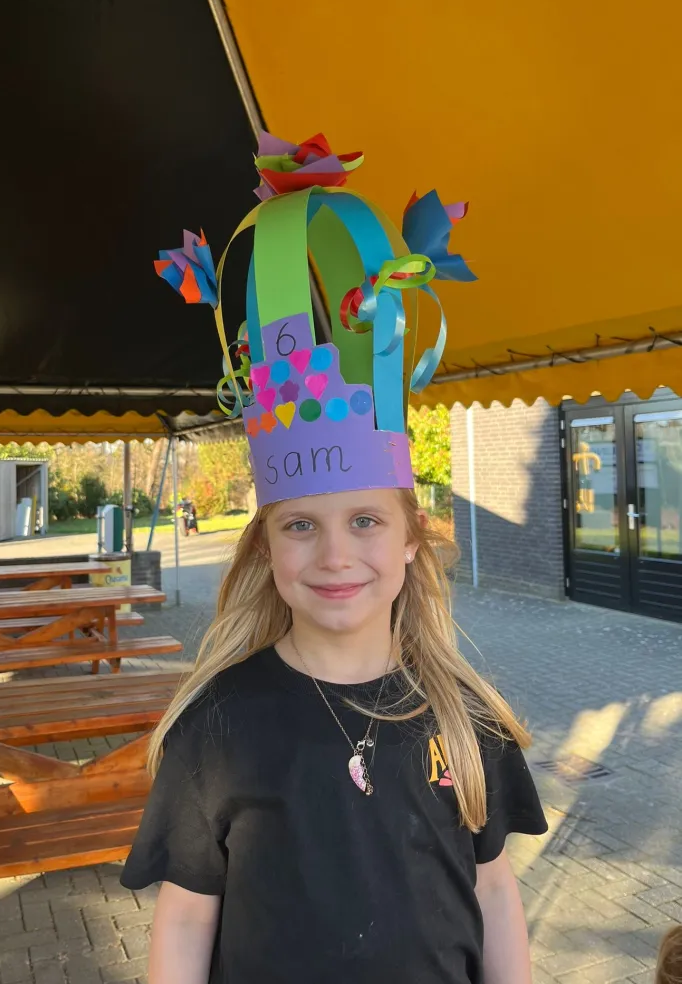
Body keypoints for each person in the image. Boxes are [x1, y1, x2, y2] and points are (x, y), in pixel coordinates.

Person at [124, 131, 548, 983]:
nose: (335, 555)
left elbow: (495, 890)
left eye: (364, 521)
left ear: (411, 539)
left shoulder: (467, 719)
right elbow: (186, 919)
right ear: (264, 546)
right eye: (300, 526)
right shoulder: (218, 723)